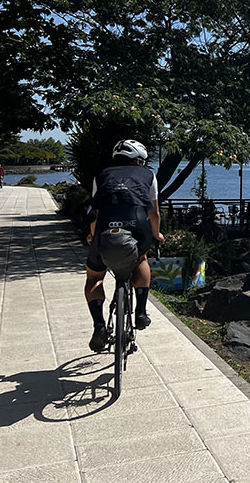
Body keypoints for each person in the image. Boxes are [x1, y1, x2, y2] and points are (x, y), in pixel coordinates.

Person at [84, 139, 164, 352]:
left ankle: (99, 325)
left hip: (105, 230)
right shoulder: (148, 175)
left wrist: (92, 235)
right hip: (136, 226)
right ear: (139, 160)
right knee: (142, 259)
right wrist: (157, 234)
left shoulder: (101, 176)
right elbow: (154, 213)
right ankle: (140, 311)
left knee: (94, 277)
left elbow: (96, 212)